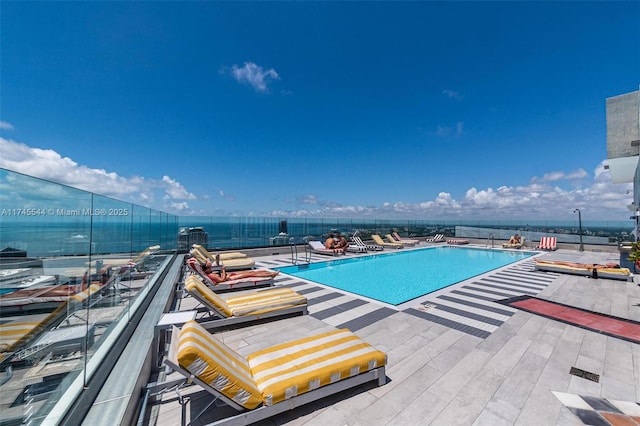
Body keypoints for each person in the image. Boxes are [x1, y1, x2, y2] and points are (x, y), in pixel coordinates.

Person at [202, 259, 279, 283]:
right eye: (209, 267)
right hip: (230, 278)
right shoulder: (211, 275)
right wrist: (223, 270)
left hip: (229, 274)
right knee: (251, 274)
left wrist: (207, 260)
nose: (210, 267)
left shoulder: (209, 272)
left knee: (251, 272)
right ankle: (271, 275)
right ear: (206, 269)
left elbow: (207, 262)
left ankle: (270, 273)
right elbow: (222, 280)